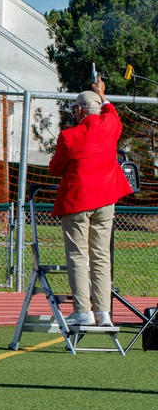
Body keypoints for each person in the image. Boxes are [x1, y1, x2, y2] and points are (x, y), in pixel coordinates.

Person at [49, 79, 133, 327]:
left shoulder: (69, 136)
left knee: (77, 256)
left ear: (78, 110)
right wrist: (102, 95)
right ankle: (103, 312)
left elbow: (55, 169)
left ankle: (83, 310)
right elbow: (111, 112)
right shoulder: (111, 127)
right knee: (101, 256)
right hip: (106, 199)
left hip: (77, 200)